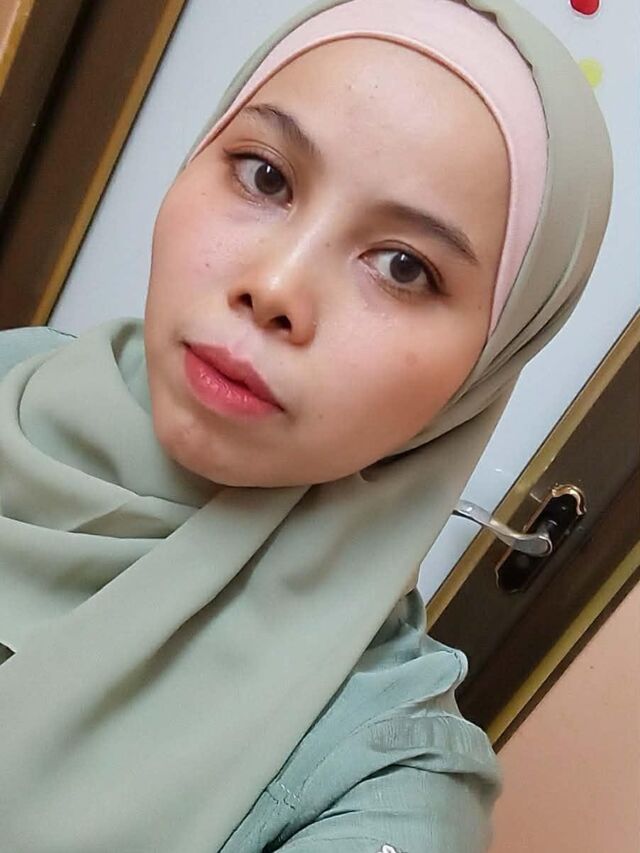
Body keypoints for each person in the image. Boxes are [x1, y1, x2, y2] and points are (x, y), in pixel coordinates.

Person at [0, 0, 612, 850]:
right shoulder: (18, 367)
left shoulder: (386, 783)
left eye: (404, 267)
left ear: (487, 363)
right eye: (264, 176)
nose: (276, 286)